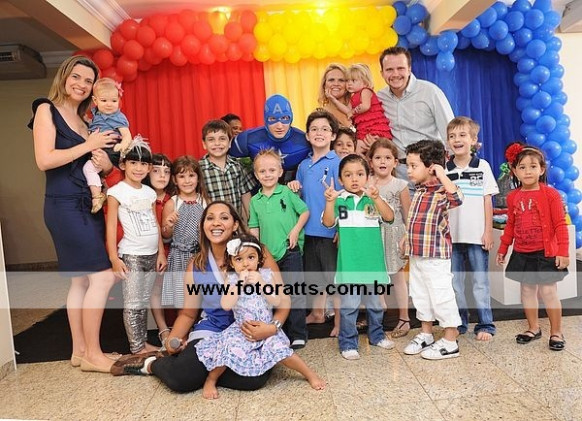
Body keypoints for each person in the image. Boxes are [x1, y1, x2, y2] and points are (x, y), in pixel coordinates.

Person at [110, 201, 292, 395]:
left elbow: (283, 300)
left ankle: (203, 370)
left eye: (224, 217)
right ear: (203, 225)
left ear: (235, 225)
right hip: (212, 330)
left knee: (253, 380)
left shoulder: (256, 253)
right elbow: (188, 314)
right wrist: (172, 340)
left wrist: (272, 328)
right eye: (210, 218)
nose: (216, 223)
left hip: (249, 333)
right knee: (180, 379)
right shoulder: (196, 264)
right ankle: (152, 363)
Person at [29, 55, 118, 373]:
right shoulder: (46, 109)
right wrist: (88, 146)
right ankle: (94, 354)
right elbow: (45, 160)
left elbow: (99, 166)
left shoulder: (88, 120)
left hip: (89, 204)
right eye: (76, 77)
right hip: (63, 205)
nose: (81, 84)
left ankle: (79, 351)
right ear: (64, 77)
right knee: (102, 277)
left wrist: (105, 164)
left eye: (88, 80)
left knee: (80, 281)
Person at [196, 234, 325, 399]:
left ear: (259, 259)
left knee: (283, 352)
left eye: (251, 257)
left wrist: (261, 284)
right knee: (226, 350)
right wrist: (239, 284)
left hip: (267, 328)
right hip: (242, 330)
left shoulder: (266, 275)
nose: (245, 263)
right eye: (239, 259)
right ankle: (211, 380)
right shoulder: (232, 279)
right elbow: (226, 304)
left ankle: (309, 374)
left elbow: (276, 300)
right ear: (231, 263)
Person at [322, 154, 395, 360]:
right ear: (340, 179)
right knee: (349, 307)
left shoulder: (373, 198)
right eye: (348, 175)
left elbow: (389, 217)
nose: (354, 179)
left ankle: (377, 336)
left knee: (376, 305)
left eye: (360, 174)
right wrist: (330, 202)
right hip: (349, 266)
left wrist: (376, 198)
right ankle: (348, 343)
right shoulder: (339, 201)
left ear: (368, 177)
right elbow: (328, 223)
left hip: (373, 265)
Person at [496, 145, 568, 351]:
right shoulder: (513, 197)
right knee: (527, 290)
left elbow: (560, 225)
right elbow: (511, 225)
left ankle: (556, 332)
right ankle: (533, 328)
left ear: (542, 169)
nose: (528, 171)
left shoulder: (550, 195)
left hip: (546, 253)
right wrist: (503, 248)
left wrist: (563, 251)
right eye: (522, 167)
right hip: (522, 252)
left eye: (533, 166)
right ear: (515, 171)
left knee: (548, 291)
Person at [402, 140, 464, 360]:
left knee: (441, 296)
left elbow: (458, 198)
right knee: (420, 295)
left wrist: (441, 174)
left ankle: (450, 340)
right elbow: (416, 220)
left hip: (436, 255)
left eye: (413, 166)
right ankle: (426, 333)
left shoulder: (442, 190)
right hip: (417, 253)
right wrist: (406, 238)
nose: (409, 170)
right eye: (408, 165)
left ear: (431, 167)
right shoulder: (419, 191)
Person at [106, 139, 167, 354]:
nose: (138, 168)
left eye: (143, 164)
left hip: (152, 254)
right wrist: (114, 258)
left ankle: (142, 342)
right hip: (132, 255)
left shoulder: (149, 192)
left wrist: (161, 252)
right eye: (133, 163)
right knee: (133, 303)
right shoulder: (116, 192)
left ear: (149, 167)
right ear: (123, 165)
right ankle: (136, 347)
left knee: (143, 301)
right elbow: (111, 227)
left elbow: (155, 223)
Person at [248, 149, 310, 349]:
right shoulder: (255, 201)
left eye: (272, 170)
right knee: (273, 294)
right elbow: (254, 227)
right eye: (262, 171)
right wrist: (256, 252)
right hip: (268, 256)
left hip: (289, 250)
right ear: (256, 175)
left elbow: (304, 212)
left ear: (280, 172)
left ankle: (298, 333)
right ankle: (278, 332)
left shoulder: (286, 192)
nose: (267, 175)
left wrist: (295, 231)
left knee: (295, 292)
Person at [288, 109, 341, 337]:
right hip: (307, 231)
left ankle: (339, 322)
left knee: (333, 279)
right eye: (314, 129)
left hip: (330, 231)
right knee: (315, 277)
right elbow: (300, 198)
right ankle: (317, 313)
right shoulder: (303, 166)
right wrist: (293, 188)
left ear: (333, 135)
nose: (319, 133)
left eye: (325, 129)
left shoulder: (339, 163)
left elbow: (346, 197)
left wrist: (341, 228)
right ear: (308, 136)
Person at [445, 117, 498, 341]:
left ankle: (486, 324)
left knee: (480, 283)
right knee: (455, 283)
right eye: (452, 136)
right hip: (451, 238)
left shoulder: (482, 166)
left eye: (462, 135)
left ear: (473, 139)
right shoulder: (444, 170)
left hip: (477, 236)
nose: (457, 140)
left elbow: (487, 201)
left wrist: (488, 232)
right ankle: (460, 322)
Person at [377, 47, 454, 182]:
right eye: (389, 69)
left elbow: (450, 132)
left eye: (400, 68)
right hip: (398, 173)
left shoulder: (430, 92)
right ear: (382, 73)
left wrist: (452, 171)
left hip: (429, 171)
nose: (395, 74)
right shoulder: (379, 98)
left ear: (409, 69)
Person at [367, 138, 411, 338]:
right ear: (371, 162)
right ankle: (377, 314)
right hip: (372, 234)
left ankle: (404, 318)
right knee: (375, 277)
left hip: (394, 235)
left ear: (395, 162)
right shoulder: (366, 183)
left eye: (387, 157)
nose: (382, 161)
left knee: (398, 277)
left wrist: (407, 237)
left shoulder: (400, 185)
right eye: (378, 158)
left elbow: (407, 214)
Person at [161, 156, 209, 310]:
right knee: (182, 300)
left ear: (198, 178)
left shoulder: (205, 201)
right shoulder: (172, 203)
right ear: (174, 180)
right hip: (179, 257)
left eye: (191, 175)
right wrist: (168, 225)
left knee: (202, 298)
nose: (187, 181)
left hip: (200, 256)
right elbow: (165, 235)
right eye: (182, 176)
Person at [82, 77, 133, 214]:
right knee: (95, 172)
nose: (109, 104)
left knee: (89, 168)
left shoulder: (117, 117)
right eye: (104, 101)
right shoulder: (96, 114)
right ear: (95, 101)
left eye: (114, 101)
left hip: (110, 150)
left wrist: (122, 145)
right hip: (98, 148)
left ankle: (97, 196)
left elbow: (127, 135)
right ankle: (102, 193)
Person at [230, 94, 311, 173]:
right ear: (265, 120)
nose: (279, 126)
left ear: (291, 118)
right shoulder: (246, 139)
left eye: (284, 118)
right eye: (273, 119)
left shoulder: (307, 141)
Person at [326, 64, 392, 155]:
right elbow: (347, 111)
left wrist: (353, 111)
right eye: (347, 80)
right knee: (358, 152)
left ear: (365, 82)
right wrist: (333, 100)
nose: (349, 83)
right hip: (364, 130)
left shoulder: (366, 91)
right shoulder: (353, 98)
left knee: (378, 150)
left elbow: (365, 106)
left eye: (353, 81)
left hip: (375, 127)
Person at [144, 153, 175, 343]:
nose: (162, 176)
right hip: (151, 250)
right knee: (155, 288)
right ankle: (162, 329)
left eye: (166, 171)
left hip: (173, 249)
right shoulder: (142, 197)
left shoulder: (173, 200)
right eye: (156, 171)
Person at [199, 119, 257, 219]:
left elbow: (246, 196)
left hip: (236, 223)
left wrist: (251, 223)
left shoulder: (238, 166)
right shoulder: (199, 169)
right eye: (211, 139)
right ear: (204, 144)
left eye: (222, 139)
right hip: (212, 224)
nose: (217, 143)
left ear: (230, 142)